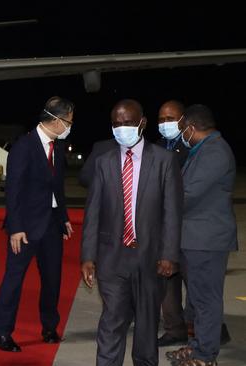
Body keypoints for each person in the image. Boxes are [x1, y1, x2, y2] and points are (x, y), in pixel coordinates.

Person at [81, 99, 182, 366]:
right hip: (112, 258)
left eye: (127, 123)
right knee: (111, 322)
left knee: (147, 327)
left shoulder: (164, 160)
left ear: (142, 123)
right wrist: (88, 256)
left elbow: (172, 211)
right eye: (116, 124)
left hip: (150, 258)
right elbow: (93, 212)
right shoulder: (103, 162)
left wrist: (169, 253)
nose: (121, 129)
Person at [0, 96, 75, 353]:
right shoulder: (23, 146)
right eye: (70, 121)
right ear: (57, 120)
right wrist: (16, 227)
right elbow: (13, 190)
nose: (71, 125)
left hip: (51, 224)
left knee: (53, 280)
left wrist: (63, 218)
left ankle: (49, 327)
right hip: (25, 227)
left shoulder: (57, 147)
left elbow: (56, 188)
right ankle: (2, 333)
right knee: (14, 280)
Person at [166, 105, 237, 366]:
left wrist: (157, 205)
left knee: (206, 299)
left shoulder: (215, 151)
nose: (181, 133)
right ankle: (198, 347)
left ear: (192, 128)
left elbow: (187, 196)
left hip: (206, 240)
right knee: (196, 299)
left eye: (183, 128)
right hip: (196, 238)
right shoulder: (203, 150)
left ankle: (206, 355)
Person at [156, 100, 191, 347]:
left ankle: (207, 328)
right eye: (161, 119)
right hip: (164, 227)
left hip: (187, 226)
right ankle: (174, 329)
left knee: (195, 283)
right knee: (167, 282)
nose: (164, 123)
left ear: (183, 120)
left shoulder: (192, 147)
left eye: (170, 118)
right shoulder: (156, 147)